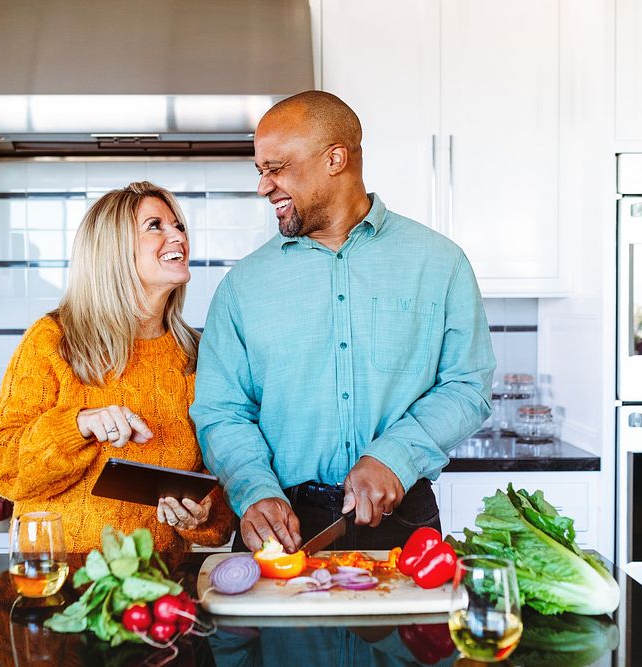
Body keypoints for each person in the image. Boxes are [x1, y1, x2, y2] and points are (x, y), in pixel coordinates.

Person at [190, 91, 495, 553]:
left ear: (335, 159)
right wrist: (255, 489)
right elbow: (221, 411)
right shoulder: (243, 285)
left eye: (276, 168)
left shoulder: (440, 263)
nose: (263, 186)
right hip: (282, 526)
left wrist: (395, 455)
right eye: (261, 171)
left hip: (404, 521)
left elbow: (468, 385)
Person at [0, 181, 234, 564]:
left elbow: (219, 496)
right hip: (59, 582)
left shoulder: (198, 354)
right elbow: (3, 464)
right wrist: (79, 425)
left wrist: (204, 513)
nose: (178, 236)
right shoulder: (53, 340)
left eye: (178, 225)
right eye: (156, 225)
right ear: (113, 249)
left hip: (156, 589)